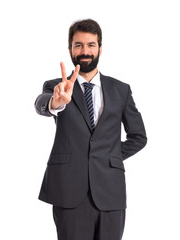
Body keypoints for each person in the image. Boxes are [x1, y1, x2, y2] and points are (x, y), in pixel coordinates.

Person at [35, 19, 147, 240]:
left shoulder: (120, 90)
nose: (84, 51)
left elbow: (139, 137)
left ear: (100, 49)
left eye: (91, 45)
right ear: (70, 49)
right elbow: (43, 104)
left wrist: (107, 156)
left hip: (110, 191)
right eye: (78, 45)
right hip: (69, 189)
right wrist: (56, 103)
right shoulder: (56, 86)